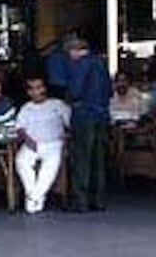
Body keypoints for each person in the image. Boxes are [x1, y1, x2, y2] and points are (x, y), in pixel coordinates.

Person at [65, 35, 111, 213]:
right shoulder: (100, 63)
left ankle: (80, 200)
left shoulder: (79, 64)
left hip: (84, 115)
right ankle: (98, 200)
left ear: (75, 50)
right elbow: (108, 90)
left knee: (82, 158)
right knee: (98, 158)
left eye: (69, 52)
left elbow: (75, 90)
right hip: (101, 115)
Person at [15, 76, 70, 214]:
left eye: (39, 87)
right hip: (32, 143)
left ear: (45, 88)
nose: (36, 91)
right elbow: (20, 128)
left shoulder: (58, 105)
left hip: (54, 143)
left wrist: (67, 136)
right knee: (21, 161)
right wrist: (28, 141)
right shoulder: (26, 108)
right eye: (32, 88)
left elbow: (71, 124)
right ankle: (35, 196)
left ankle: (33, 197)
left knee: (49, 168)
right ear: (28, 92)